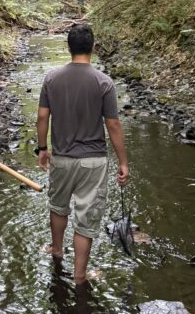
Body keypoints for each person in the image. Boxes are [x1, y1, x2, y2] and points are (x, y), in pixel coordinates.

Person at [36, 23, 129, 284]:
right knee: (86, 219)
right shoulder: (103, 82)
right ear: (93, 47)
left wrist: (42, 148)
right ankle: (79, 275)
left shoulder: (51, 78)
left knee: (58, 207)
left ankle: (55, 250)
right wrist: (123, 162)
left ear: (68, 47)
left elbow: (43, 116)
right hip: (93, 160)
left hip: (62, 159)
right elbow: (113, 125)